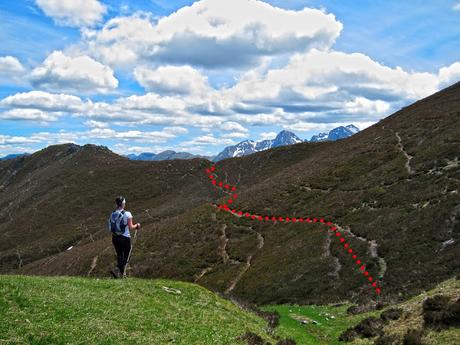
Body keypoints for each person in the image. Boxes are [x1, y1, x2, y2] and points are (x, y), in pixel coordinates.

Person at [108, 196, 140, 278]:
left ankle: (121, 275)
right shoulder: (127, 214)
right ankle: (117, 269)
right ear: (123, 204)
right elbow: (130, 227)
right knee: (127, 256)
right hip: (125, 237)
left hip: (115, 237)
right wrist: (137, 225)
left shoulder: (113, 213)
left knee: (119, 255)